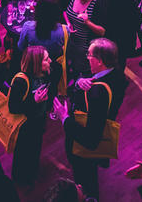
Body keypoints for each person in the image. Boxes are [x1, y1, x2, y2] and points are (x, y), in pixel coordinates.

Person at [52, 38, 128, 199]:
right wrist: (79, 82)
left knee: (85, 180)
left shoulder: (96, 93)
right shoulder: (117, 74)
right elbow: (81, 79)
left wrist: (64, 117)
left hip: (82, 149)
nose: (87, 57)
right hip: (103, 125)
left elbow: (90, 140)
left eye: (90, 54)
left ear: (99, 61)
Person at [8, 46, 54, 184]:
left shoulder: (45, 74)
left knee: (35, 148)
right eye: (46, 59)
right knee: (23, 152)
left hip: (38, 121)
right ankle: (21, 178)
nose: (50, 61)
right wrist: (34, 101)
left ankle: (32, 173)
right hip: (25, 126)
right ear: (36, 63)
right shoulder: (21, 81)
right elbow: (13, 107)